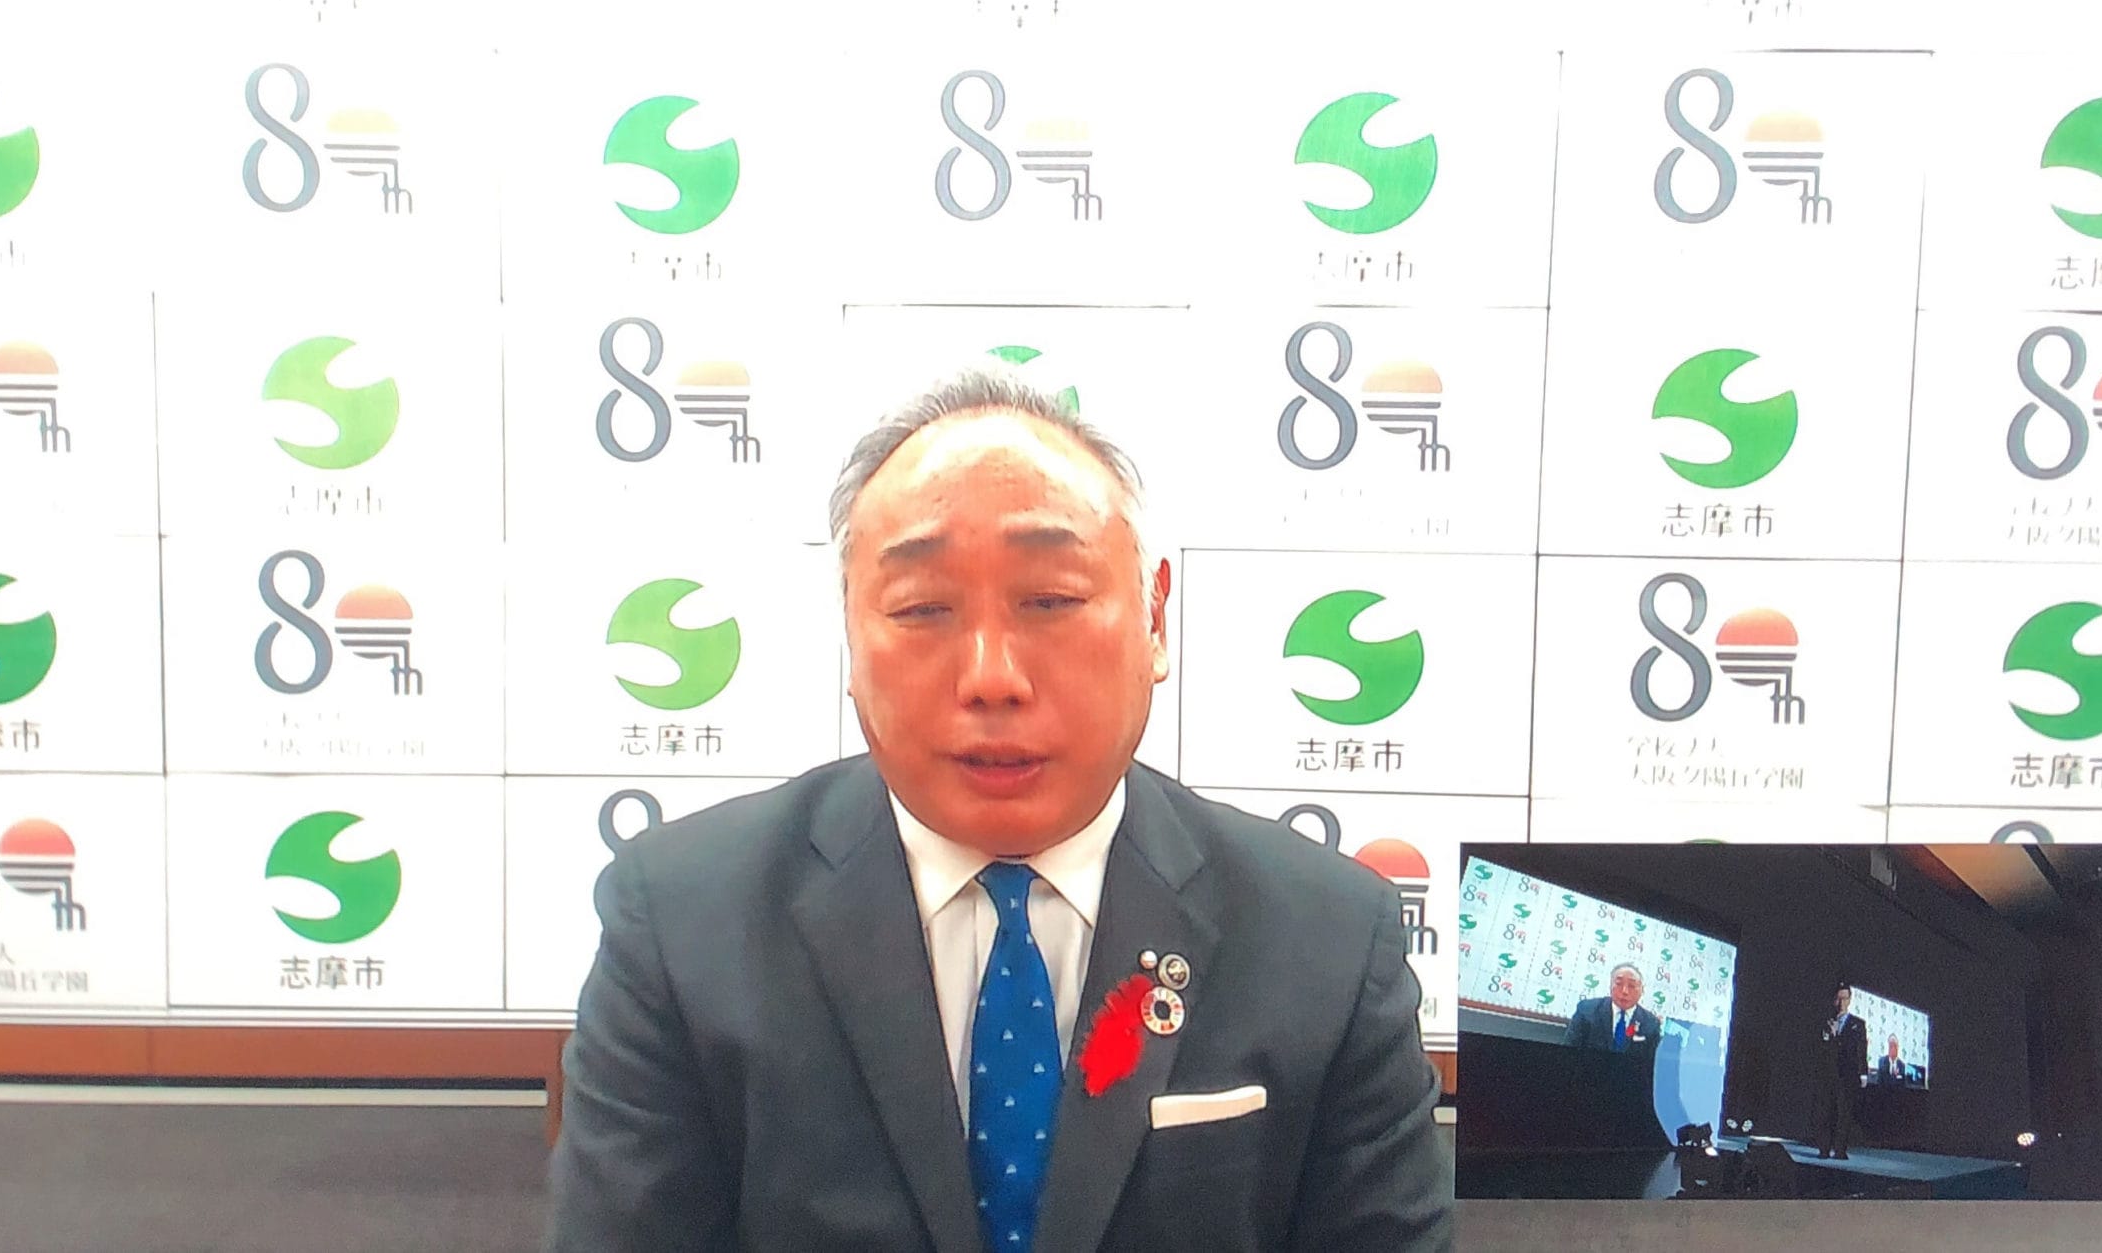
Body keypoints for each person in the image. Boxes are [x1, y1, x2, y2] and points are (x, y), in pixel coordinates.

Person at [545, 367, 1453, 1253]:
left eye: (1051, 601)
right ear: (849, 635)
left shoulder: (1328, 938)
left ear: (1154, 620)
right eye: (923, 609)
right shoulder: (684, 924)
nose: (992, 676)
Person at [1562, 963, 1665, 1058]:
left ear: (1642, 990)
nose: (1625, 991)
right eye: (1619, 984)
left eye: (1631, 986)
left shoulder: (1651, 1024)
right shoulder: (1587, 1010)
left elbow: (1650, 1064)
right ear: (1610, 986)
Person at [1817, 984, 1870, 1158]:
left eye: (1845, 998)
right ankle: (1824, 1149)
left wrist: (1863, 1073)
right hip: (1828, 1074)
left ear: (1850, 1000)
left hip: (1847, 1074)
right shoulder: (1826, 1022)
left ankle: (1840, 1150)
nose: (1841, 1003)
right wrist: (1831, 1037)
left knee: (1843, 1113)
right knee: (1826, 1111)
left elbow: (1861, 1049)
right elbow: (1820, 1048)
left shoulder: (1857, 1024)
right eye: (1839, 998)